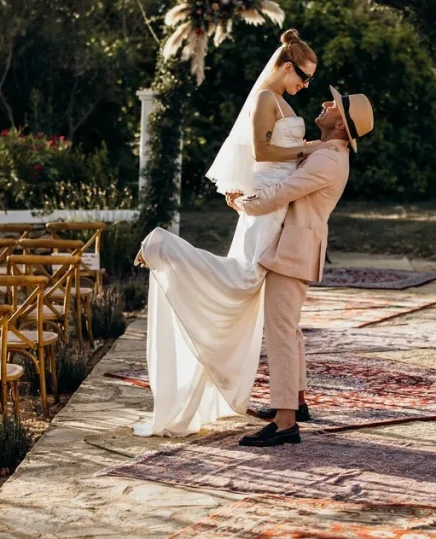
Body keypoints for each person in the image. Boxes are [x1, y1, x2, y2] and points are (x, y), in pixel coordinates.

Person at [131, 29, 322, 437]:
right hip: (266, 199)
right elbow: (263, 152)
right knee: (244, 276)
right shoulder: (264, 99)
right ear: (286, 66)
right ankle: (162, 245)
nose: (306, 85)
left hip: (277, 201)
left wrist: (304, 152)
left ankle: (288, 398)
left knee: (247, 280)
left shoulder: (283, 102)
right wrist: (307, 149)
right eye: (303, 76)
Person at [229, 86, 374, 447]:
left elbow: (284, 192)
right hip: (296, 246)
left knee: (279, 331)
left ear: (340, 125)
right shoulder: (325, 151)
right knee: (287, 329)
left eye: (334, 105)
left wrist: (244, 203)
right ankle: (296, 402)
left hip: (295, 250)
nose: (325, 103)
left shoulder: (329, 160)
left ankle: (285, 423)